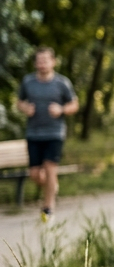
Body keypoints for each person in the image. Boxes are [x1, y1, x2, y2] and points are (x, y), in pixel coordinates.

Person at [16, 47, 78, 222]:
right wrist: (25, 108)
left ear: (53, 62)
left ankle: (48, 209)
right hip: (34, 133)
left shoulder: (62, 83)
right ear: (35, 63)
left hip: (55, 133)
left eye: (46, 60)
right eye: (39, 60)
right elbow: (19, 102)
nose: (42, 63)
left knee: (50, 170)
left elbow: (74, 104)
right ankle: (52, 187)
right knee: (35, 174)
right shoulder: (28, 82)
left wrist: (61, 109)